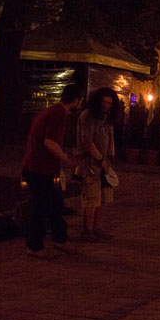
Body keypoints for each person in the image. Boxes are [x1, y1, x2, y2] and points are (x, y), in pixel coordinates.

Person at [22, 84, 83, 258]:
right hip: (38, 168)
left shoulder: (53, 111)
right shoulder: (59, 114)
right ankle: (34, 246)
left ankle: (60, 239)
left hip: (38, 167)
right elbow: (50, 142)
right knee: (42, 206)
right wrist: (66, 159)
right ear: (76, 100)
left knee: (55, 202)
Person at [77, 87, 119, 242]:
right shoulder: (88, 116)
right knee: (91, 197)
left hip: (104, 163)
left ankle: (97, 227)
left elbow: (110, 137)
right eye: (104, 102)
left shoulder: (106, 118)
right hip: (91, 163)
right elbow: (87, 142)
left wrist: (110, 157)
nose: (106, 106)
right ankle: (87, 230)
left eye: (109, 103)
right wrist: (100, 159)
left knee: (103, 197)